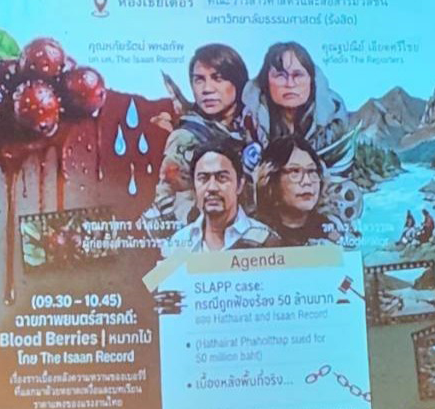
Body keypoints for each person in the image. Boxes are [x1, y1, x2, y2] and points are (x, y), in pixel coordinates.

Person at [144, 44, 250, 233]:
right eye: (199, 80)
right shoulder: (186, 138)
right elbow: (166, 201)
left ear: (238, 82)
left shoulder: (251, 129)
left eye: (218, 78)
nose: (207, 89)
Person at [163, 137, 281, 253]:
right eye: (203, 178)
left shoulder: (265, 241)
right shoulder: (177, 244)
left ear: (240, 185)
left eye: (222, 178)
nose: (212, 188)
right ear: (194, 186)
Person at [241, 42, 348, 155]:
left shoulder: (334, 125)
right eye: (280, 76)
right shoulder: (247, 124)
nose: (290, 84)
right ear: (266, 81)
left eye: (298, 75)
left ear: (312, 81)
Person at [253, 135, 340, 246]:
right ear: (271, 179)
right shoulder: (255, 232)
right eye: (295, 171)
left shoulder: (331, 232)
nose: (307, 181)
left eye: (312, 171)